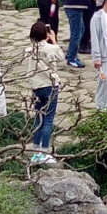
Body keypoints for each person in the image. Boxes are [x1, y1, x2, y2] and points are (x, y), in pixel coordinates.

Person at [27, 20, 65, 163]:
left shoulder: (29, 50)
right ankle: (44, 152)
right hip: (50, 85)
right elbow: (61, 56)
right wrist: (54, 39)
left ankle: (35, 152)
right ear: (46, 34)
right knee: (48, 120)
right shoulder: (51, 49)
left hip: (36, 87)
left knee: (38, 119)